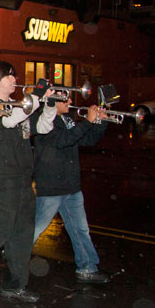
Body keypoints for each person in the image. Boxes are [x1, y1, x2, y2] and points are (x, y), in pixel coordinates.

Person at [0, 62, 56, 303]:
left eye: (14, 75)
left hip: (23, 178)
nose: (14, 79)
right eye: (9, 76)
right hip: (1, 176)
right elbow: (8, 121)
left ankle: (15, 284)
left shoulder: (20, 105)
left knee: (22, 234)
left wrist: (49, 105)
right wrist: (35, 96)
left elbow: (43, 127)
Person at [33, 97, 110, 283]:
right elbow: (63, 140)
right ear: (52, 102)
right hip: (52, 185)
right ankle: (15, 255)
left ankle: (88, 268)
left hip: (71, 186)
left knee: (80, 229)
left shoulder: (68, 119)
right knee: (36, 228)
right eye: (64, 98)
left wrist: (101, 122)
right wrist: (88, 121)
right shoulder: (43, 120)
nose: (69, 101)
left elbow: (87, 139)